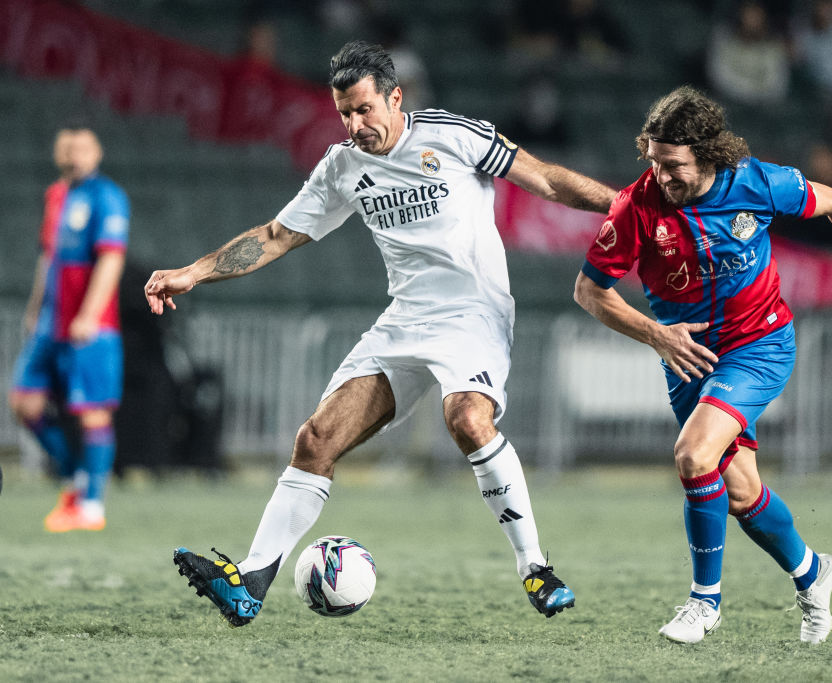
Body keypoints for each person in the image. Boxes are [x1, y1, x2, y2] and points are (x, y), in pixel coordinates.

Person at [145, 41, 617, 626]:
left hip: (472, 314)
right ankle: (251, 582)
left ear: (395, 97)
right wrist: (192, 272)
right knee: (315, 439)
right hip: (403, 321)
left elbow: (543, 180)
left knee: (467, 418)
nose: (355, 124)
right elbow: (275, 236)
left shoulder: (453, 135)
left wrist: (622, 205)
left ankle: (535, 567)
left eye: (365, 109)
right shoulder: (342, 165)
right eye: (344, 112)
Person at [573, 86, 832, 644]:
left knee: (694, 456)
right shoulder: (638, 206)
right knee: (739, 493)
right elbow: (589, 292)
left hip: (760, 346)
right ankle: (813, 573)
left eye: (674, 165)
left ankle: (704, 602)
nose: (661, 175)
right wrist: (655, 334)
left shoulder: (757, 182)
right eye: (654, 161)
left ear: (708, 154)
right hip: (688, 356)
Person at [8, 126, 130, 532]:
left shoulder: (107, 197)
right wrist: (34, 308)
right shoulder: (56, 195)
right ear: (58, 153)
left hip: (91, 325)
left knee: (93, 413)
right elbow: (48, 258)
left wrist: (90, 315)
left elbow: (110, 259)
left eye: (83, 148)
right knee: (24, 403)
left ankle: (91, 505)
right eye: (68, 148)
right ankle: (74, 477)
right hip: (50, 322)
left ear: (97, 153)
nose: (74, 155)